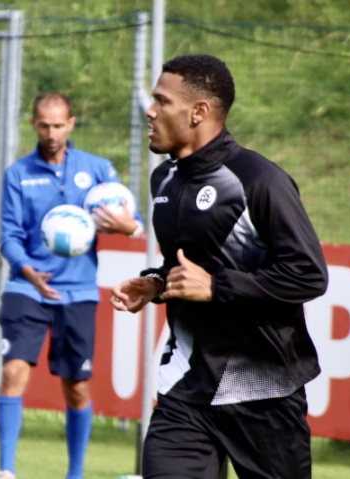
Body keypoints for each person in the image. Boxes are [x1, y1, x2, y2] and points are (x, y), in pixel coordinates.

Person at [110, 54, 328, 479]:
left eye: (161, 101)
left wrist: (216, 286)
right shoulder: (164, 181)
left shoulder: (260, 181)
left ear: (198, 111)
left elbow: (308, 273)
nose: (150, 111)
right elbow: (190, 263)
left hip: (263, 391)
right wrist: (157, 283)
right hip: (186, 387)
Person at [0, 92, 144, 479]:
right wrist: (26, 270)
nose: (51, 132)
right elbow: (8, 235)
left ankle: (74, 475)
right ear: (33, 124)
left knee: (76, 387)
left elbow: (132, 217)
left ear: (72, 124)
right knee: (12, 371)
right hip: (26, 287)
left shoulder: (96, 170)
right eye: (44, 125)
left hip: (78, 292)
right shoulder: (18, 173)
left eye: (59, 125)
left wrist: (130, 226)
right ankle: (6, 471)